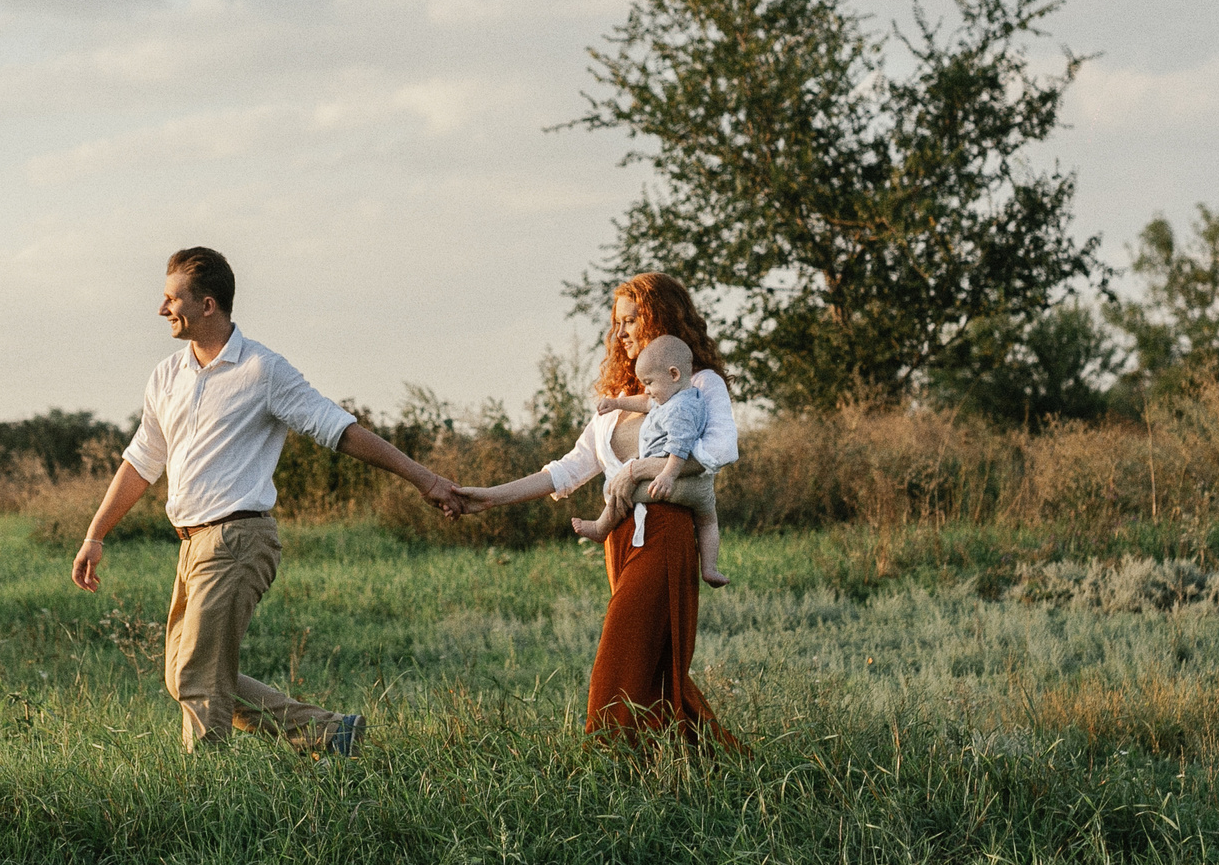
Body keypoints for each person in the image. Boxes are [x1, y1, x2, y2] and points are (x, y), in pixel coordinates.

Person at [71, 246, 462, 756]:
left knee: (197, 676)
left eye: (172, 298)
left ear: (207, 304)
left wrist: (425, 479)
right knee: (182, 674)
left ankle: (202, 791)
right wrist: (95, 534)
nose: (162, 308)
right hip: (190, 545)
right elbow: (142, 461)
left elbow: (340, 430)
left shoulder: (262, 370)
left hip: (237, 538)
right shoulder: (166, 376)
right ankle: (329, 733)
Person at [452, 272, 738, 744]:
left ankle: (604, 756)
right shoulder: (623, 398)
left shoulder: (696, 382)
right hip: (619, 540)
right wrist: (488, 496)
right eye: (616, 323)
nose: (620, 332)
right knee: (649, 667)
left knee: (618, 657)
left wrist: (639, 469)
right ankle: (688, 761)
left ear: (662, 319)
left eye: (632, 320)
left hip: (663, 531)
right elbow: (568, 469)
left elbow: (720, 449)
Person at [568, 335, 710, 555]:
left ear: (674, 374)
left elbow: (679, 447)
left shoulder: (679, 409)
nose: (647, 390)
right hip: (688, 480)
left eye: (649, 383)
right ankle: (709, 566)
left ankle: (600, 527)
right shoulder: (678, 397)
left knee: (619, 489)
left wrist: (667, 475)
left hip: (664, 470)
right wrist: (616, 403)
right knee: (708, 521)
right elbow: (645, 402)